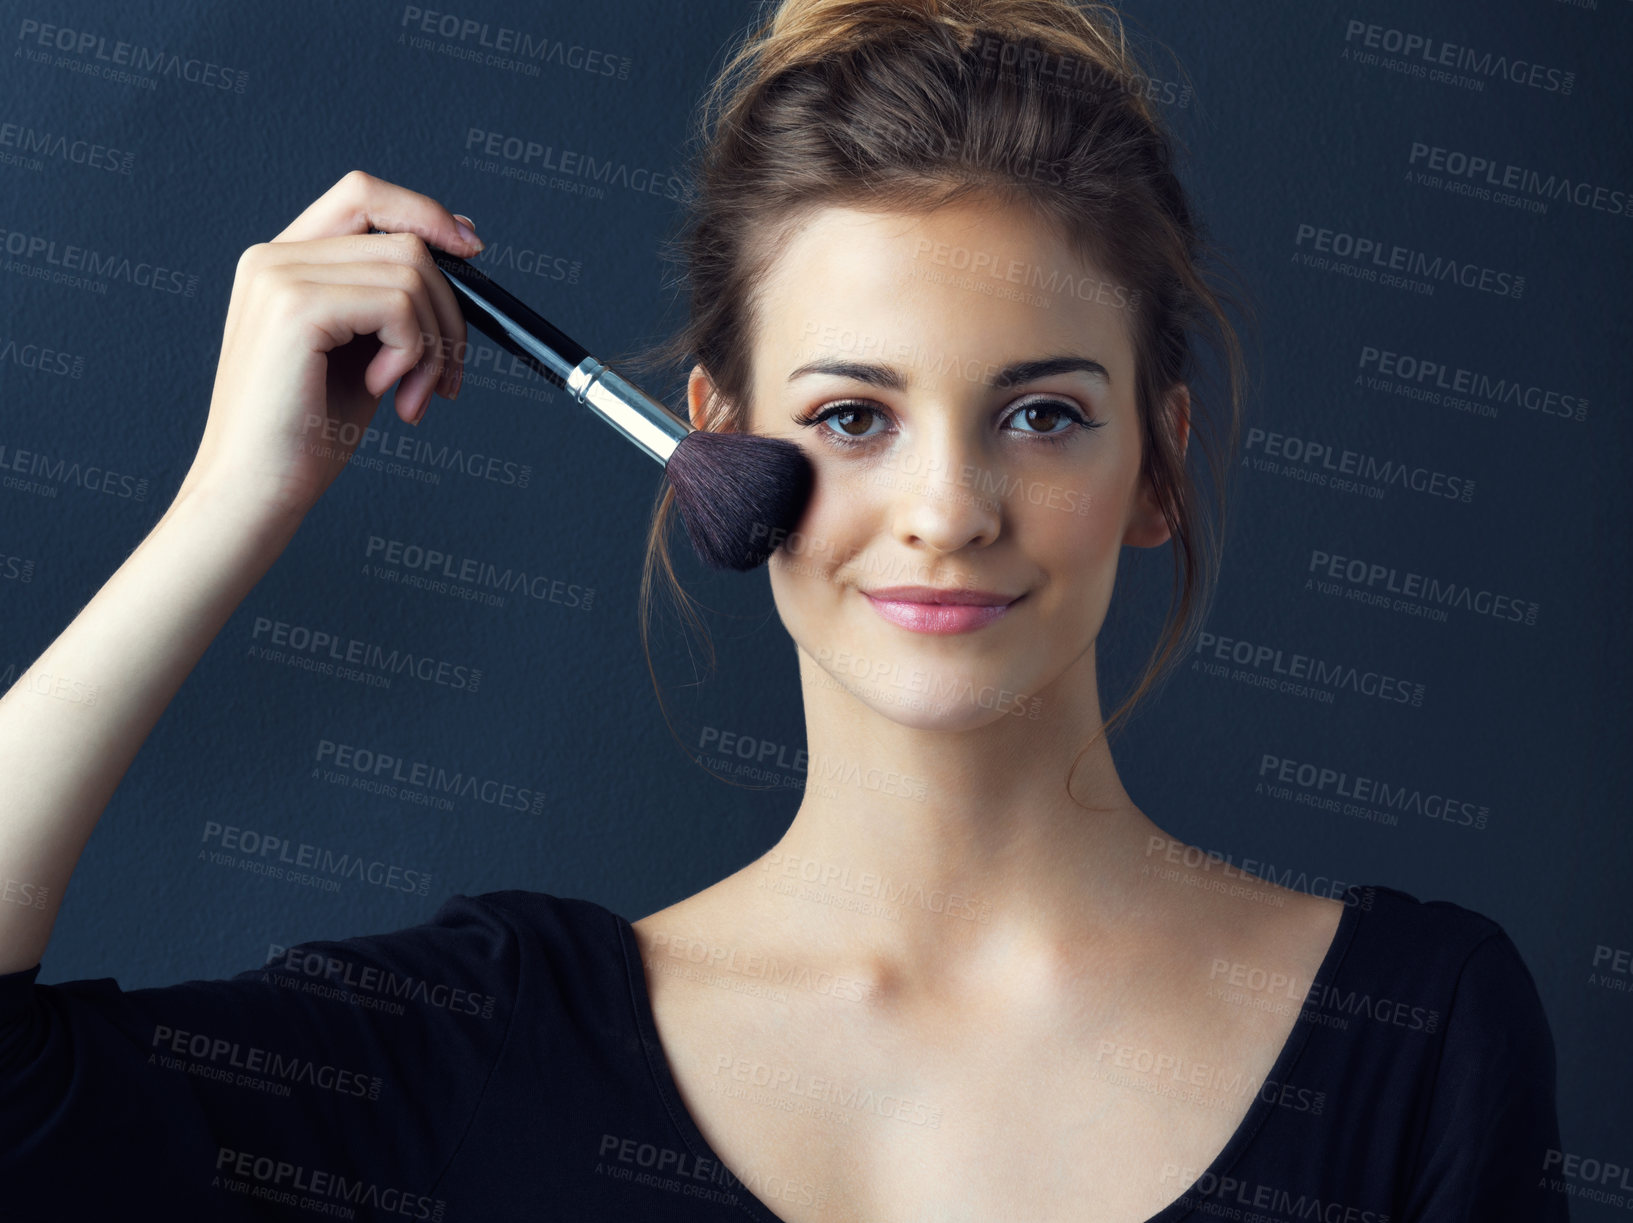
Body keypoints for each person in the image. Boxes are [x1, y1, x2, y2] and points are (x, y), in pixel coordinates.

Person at [0, 0, 1565, 1220]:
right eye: (851, 417)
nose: (946, 512)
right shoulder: (486, 1043)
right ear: (706, 448)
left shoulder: (1411, 1039)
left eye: (1040, 415)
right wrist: (231, 502)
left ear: (1156, 467)